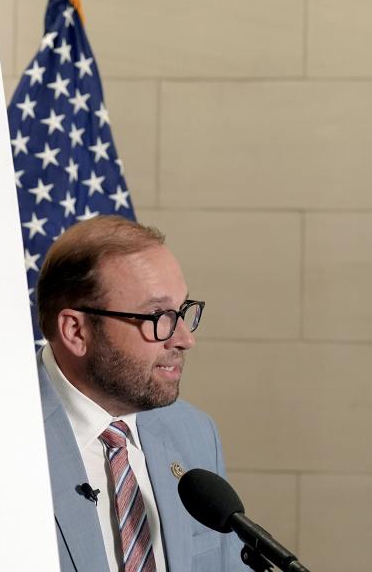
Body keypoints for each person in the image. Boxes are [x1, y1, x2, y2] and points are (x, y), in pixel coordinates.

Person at [36, 216, 241, 571]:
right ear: (75, 331)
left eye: (182, 312)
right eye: (157, 316)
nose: (184, 339)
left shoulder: (194, 432)